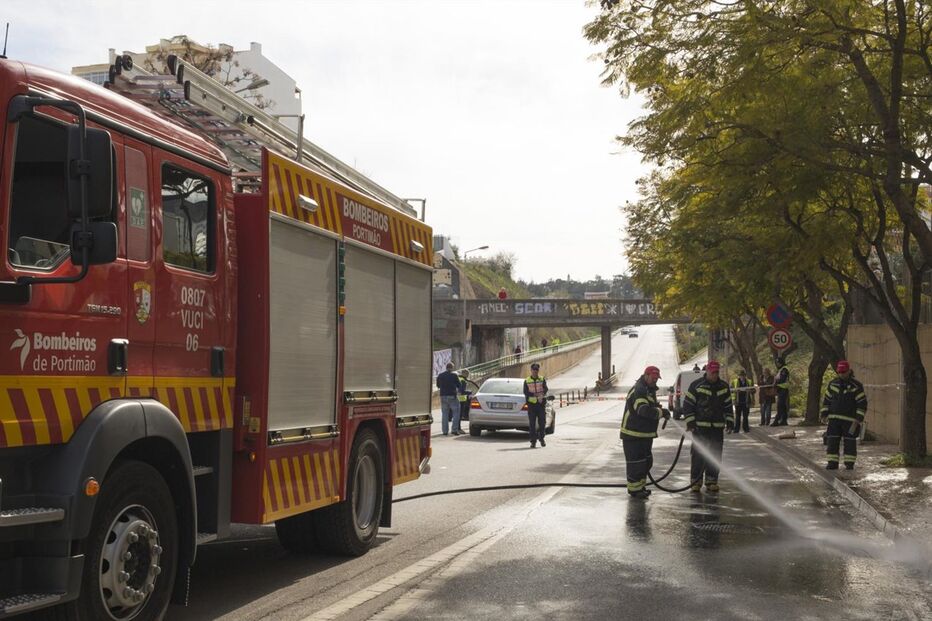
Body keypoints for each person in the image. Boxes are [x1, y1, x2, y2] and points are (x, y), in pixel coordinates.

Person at [682, 360, 733, 492]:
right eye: (713, 372)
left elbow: (728, 406)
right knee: (698, 454)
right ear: (707, 371)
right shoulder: (696, 385)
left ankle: (711, 480)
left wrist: (730, 421)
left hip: (717, 428)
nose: (715, 375)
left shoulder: (723, 387)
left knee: (715, 454)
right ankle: (696, 482)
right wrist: (690, 422)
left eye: (717, 372)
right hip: (700, 428)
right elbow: (688, 405)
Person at [620, 366, 669, 499]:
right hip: (633, 434)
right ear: (646, 375)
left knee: (646, 462)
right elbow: (643, 410)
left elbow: (650, 407)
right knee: (636, 463)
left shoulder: (648, 389)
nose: (655, 381)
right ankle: (635, 490)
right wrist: (661, 412)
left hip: (644, 434)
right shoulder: (639, 390)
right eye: (653, 378)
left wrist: (658, 410)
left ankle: (640, 486)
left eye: (656, 379)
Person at [821, 360, 867, 470]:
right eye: (839, 372)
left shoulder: (856, 386)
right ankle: (832, 463)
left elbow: (862, 403)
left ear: (849, 371)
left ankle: (849, 464)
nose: (841, 374)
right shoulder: (833, 384)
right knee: (832, 441)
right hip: (834, 420)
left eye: (843, 372)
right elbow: (827, 401)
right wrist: (824, 414)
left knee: (850, 442)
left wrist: (858, 419)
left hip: (850, 421)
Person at [523, 363, 549, 448]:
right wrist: (534, 395)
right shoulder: (527, 380)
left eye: (536, 370)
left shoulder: (542, 379)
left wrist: (542, 394)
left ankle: (541, 438)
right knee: (532, 424)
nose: (535, 372)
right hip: (531, 405)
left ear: (538, 371)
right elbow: (526, 392)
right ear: (531, 371)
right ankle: (533, 441)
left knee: (542, 423)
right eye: (533, 370)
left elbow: (545, 389)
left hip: (541, 404)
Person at [436, 362, 463, 435]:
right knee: (456, 413)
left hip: (443, 396)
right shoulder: (454, 375)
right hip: (452, 396)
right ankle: (454, 430)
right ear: (452, 368)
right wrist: (459, 391)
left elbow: (438, 385)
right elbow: (459, 385)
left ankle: (445, 431)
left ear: (446, 367)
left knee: (445, 414)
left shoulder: (440, 375)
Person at [771, 358, 790, 426]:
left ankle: (776, 421)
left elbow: (782, 379)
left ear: (780, 363)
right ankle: (784, 420)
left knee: (780, 406)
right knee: (783, 406)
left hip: (783, 389)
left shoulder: (784, 369)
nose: (777, 364)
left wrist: (776, 383)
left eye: (777, 363)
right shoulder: (780, 370)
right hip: (780, 389)